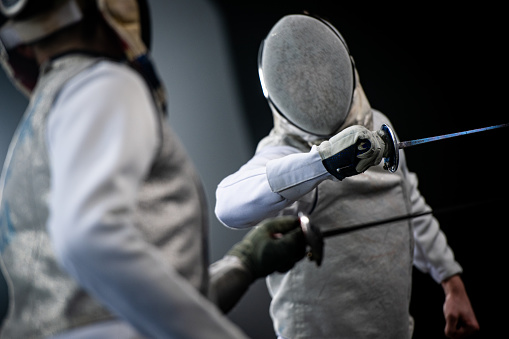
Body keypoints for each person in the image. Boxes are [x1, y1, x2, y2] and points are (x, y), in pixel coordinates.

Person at [0, 1, 307, 338]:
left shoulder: (40, 121)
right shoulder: (104, 84)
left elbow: (118, 306)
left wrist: (243, 264)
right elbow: (88, 240)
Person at [215, 13, 480, 339]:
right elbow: (227, 204)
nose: (314, 83)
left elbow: (409, 204)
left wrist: (452, 283)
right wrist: (321, 162)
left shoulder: (379, 125)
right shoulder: (284, 153)